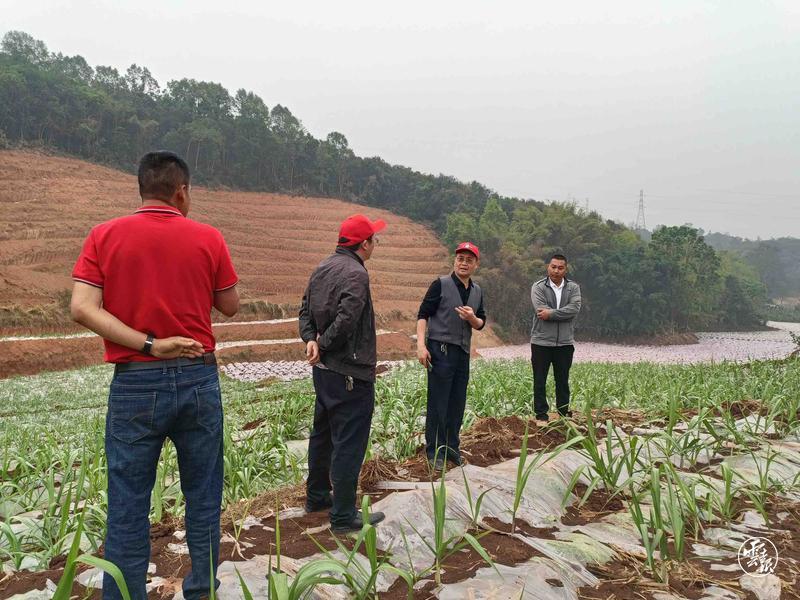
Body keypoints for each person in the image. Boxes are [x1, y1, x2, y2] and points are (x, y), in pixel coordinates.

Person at [70, 151, 239, 600]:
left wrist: (147, 343)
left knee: (127, 505)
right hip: (197, 378)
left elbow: (82, 308)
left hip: (135, 383)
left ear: (142, 188)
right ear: (181, 192)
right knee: (203, 498)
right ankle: (201, 591)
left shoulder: (103, 235)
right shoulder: (207, 237)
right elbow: (230, 305)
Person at [299, 214, 387, 533]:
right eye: (374, 239)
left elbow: (304, 311)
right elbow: (347, 319)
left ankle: (317, 497)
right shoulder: (356, 274)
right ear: (364, 244)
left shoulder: (323, 267)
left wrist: (311, 340)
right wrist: (322, 343)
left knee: (322, 435)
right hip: (350, 372)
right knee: (349, 442)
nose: (375, 243)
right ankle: (342, 515)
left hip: (323, 372)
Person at [417, 242, 486, 470]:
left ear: (476, 264)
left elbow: (481, 322)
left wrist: (472, 319)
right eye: (460, 259)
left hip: (462, 352)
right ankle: (434, 451)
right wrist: (420, 345)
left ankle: (452, 449)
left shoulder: (476, 291)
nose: (463, 263)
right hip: (440, 350)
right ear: (454, 261)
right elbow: (423, 314)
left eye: (469, 260)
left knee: (457, 402)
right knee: (438, 401)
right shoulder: (440, 284)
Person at [530, 253, 581, 423]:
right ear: (548, 267)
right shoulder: (538, 287)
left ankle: (563, 413)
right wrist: (562, 314)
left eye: (560, 268)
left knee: (562, 380)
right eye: (553, 267)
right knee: (539, 380)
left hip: (565, 343)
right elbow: (540, 310)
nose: (556, 271)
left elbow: (574, 309)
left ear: (565, 269)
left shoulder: (573, 288)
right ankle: (541, 415)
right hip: (541, 342)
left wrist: (551, 313)